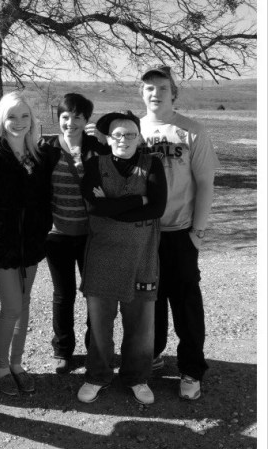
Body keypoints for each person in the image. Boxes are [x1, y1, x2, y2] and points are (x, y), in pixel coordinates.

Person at [139, 66, 219, 400]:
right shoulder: (133, 130)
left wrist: (197, 232)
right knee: (149, 299)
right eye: (149, 88)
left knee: (185, 304)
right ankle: (153, 353)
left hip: (181, 230)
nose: (155, 93)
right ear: (141, 93)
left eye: (162, 87)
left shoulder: (191, 131)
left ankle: (190, 369)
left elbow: (205, 184)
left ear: (174, 93)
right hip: (144, 233)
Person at [77, 111, 167, 406]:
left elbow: (157, 208)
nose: (124, 139)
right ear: (107, 138)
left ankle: (137, 377)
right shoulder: (95, 165)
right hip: (102, 255)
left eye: (130, 134)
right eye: (117, 134)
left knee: (141, 324)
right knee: (100, 324)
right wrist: (138, 200)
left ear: (139, 137)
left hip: (142, 256)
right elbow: (94, 207)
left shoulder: (152, 164)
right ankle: (97, 375)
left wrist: (112, 206)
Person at [0, 93, 52, 396]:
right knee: (12, 305)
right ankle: (1, 367)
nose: (18, 122)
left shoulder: (38, 152)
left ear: (32, 119)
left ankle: (17, 364)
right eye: (12, 116)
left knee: (25, 304)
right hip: (1, 244)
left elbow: (45, 197)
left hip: (31, 242)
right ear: (1, 119)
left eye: (24, 116)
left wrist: (40, 228)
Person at [42, 93, 108, 374]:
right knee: (63, 294)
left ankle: (95, 346)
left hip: (91, 234)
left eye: (77, 117)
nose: (71, 123)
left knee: (94, 293)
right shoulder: (47, 147)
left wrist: (105, 142)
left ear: (87, 120)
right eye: (65, 116)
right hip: (57, 234)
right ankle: (62, 349)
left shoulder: (97, 148)